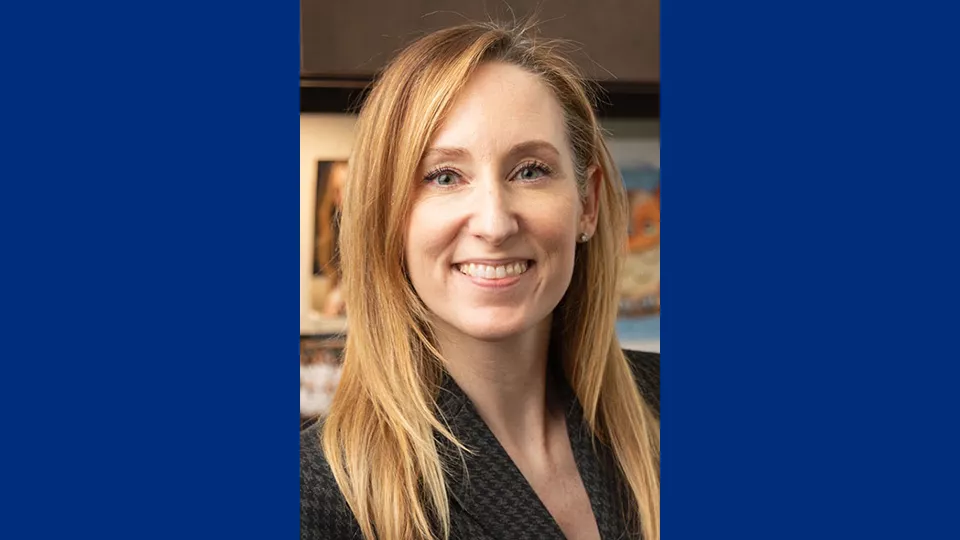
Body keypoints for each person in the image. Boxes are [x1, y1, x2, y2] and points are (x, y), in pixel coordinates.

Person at [301, 20, 660, 540]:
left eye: (530, 170)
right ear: (386, 216)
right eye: (444, 176)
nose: (494, 224)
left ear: (588, 203)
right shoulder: (317, 496)